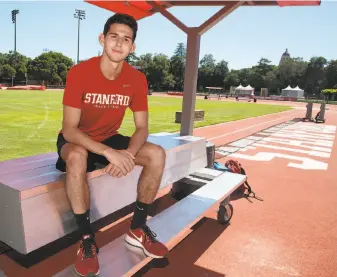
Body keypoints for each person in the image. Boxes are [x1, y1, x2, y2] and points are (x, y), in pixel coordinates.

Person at [55, 13, 168, 277]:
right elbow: (70, 129)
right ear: (102, 39)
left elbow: (142, 128)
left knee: (156, 154)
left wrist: (127, 154)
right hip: (77, 139)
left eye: (126, 39)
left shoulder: (137, 79)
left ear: (133, 47)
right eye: (114, 37)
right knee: (77, 157)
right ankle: (86, 240)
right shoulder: (80, 72)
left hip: (108, 137)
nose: (119, 44)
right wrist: (109, 153)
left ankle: (138, 228)